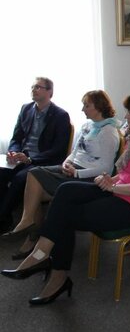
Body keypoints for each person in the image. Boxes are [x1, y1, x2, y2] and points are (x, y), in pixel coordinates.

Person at [0, 91, 130, 305]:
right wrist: (111, 179)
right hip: (120, 192)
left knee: (65, 213)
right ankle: (43, 255)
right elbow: (128, 174)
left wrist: (112, 187)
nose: (126, 116)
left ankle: (51, 267)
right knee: (66, 191)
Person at [1, 91, 120, 259]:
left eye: (86, 106)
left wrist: (77, 172)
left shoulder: (108, 132)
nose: (82, 109)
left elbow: (106, 168)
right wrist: (66, 162)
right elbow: (75, 151)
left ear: (99, 107)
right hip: (73, 168)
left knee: (34, 188)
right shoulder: (87, 125)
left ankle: (31, 233)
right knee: (33, 176)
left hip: (87, 177)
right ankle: (29, 227)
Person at [0, 77, 71, 233]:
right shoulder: (26, 108)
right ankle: (5, 219)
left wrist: (32, 159)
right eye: (33, 86)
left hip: (43, 160)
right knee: (2, 173)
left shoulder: (60, 115)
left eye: (38, 87)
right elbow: (16, 137)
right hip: (23, 157)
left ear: (49, 92)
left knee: (19, 179)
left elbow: (58, 149)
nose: (34, 89)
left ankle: (3, 217)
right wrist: (13, 151)